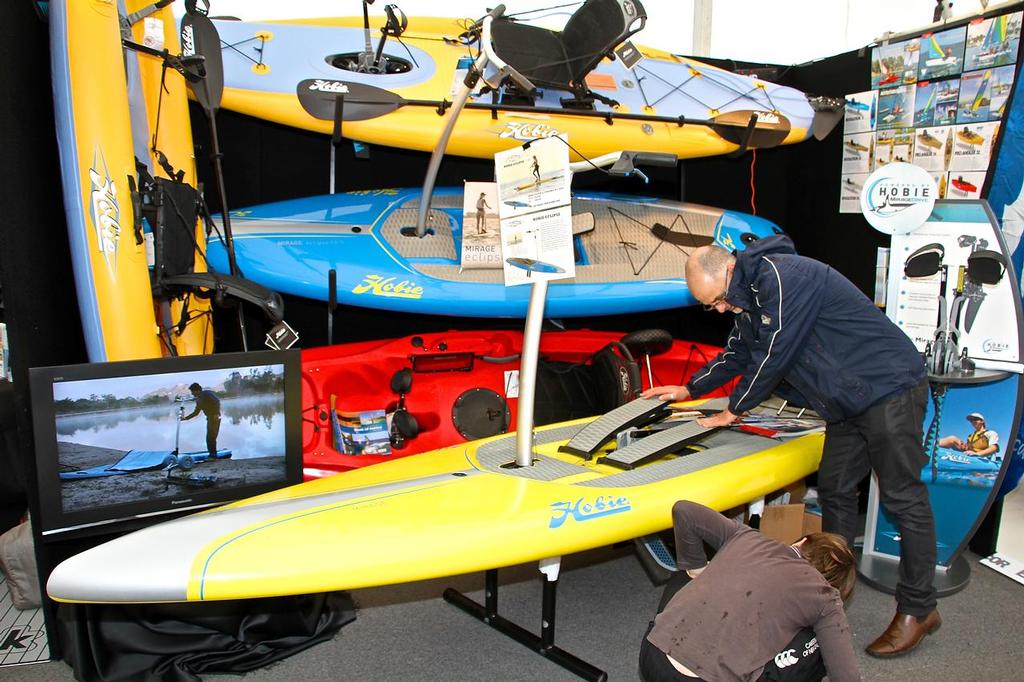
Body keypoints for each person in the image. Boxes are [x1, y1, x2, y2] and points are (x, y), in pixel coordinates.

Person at [641, 235, 940, 658]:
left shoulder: (783, 278)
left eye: (720, 300)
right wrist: (687, 388)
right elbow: (738, 354)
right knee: (835, 490)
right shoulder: (746, 299)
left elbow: (775, 351)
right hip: (843, 403)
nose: (721, 310)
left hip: (887, 386)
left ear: (729, 270)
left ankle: (919, 608)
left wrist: (735, 409)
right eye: (711, 308)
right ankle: (826, 598)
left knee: (903, 498)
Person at [640, 500, 859, 682]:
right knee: (817, 642)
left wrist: (696, 567)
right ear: (835, 585)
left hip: (653, 656)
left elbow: (683, 510)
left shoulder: (747, 536)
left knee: (687, 577)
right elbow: (846, 676)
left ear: (801, 542)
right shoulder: (826, 597)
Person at [183, 382, 221, 460]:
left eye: (192, 392)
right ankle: (212, 454)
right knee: (209, 437)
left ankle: (213, 456)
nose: (192, 394)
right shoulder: (199, 399)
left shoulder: (207, 393)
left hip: (215, 417)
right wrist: (186, 418)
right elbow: (196, 412)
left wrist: (216, 414)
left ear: (197, 390)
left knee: (211, 437)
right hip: (209, 418)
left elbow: (217, 401)